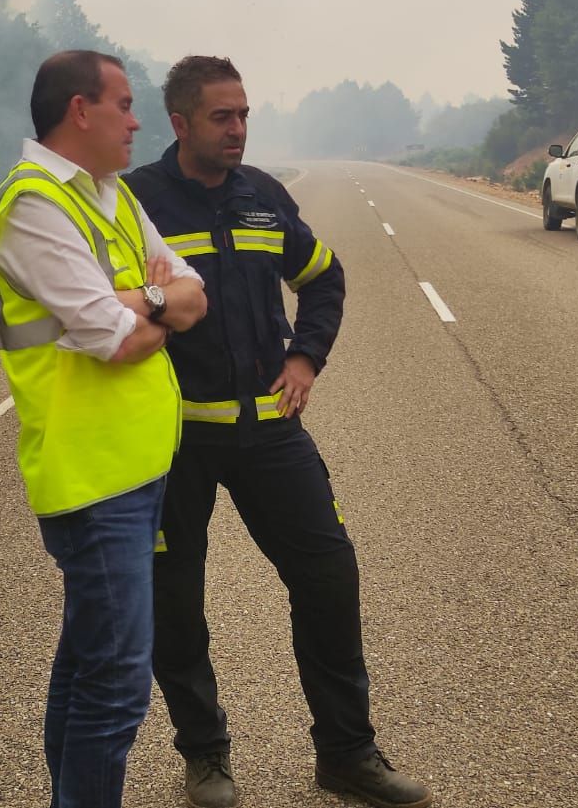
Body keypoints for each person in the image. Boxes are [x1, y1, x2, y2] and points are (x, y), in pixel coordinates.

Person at [124, 56, 431, 808]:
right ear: (181, 122)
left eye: (245, 115)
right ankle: (205, 756)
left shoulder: (263, 196)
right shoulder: (135, 205)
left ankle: (348, 753)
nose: (238, 129)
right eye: (223, 116)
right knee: (175, 603)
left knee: (329, 578)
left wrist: (305, 356)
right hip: (174, 444)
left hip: (271, 434)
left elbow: (323, 276)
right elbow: (106, 306)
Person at [0, 49, 207, 808]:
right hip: (90, 477)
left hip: (136, 465)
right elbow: (120, 339)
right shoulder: (33, 206)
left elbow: (193, 292)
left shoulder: (111, 194)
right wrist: (150, 300)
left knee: (85, 665)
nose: (138, 120)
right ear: (81, 110)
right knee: (115, 685)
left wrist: (134, 297)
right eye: (126, 103)